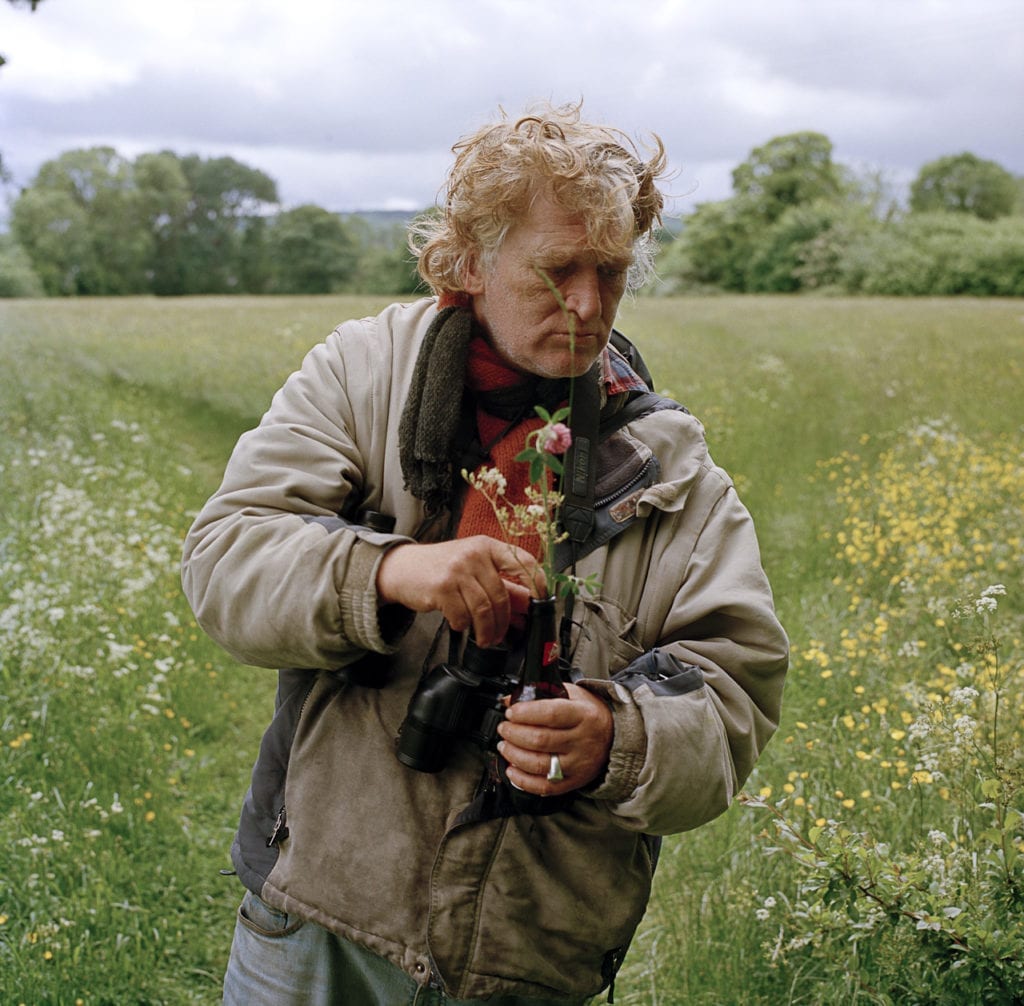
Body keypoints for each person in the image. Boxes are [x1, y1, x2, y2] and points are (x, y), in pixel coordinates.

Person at [181, 102, 788, 1005]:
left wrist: (616, 736)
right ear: (470, 260)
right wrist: (385, 572)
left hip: (525, 952)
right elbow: (225, 559)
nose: (587, 304)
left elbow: (735, 691)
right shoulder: (362, 376)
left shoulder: (670, 469)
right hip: (318, 920)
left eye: (611, 273)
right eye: (557, 271)